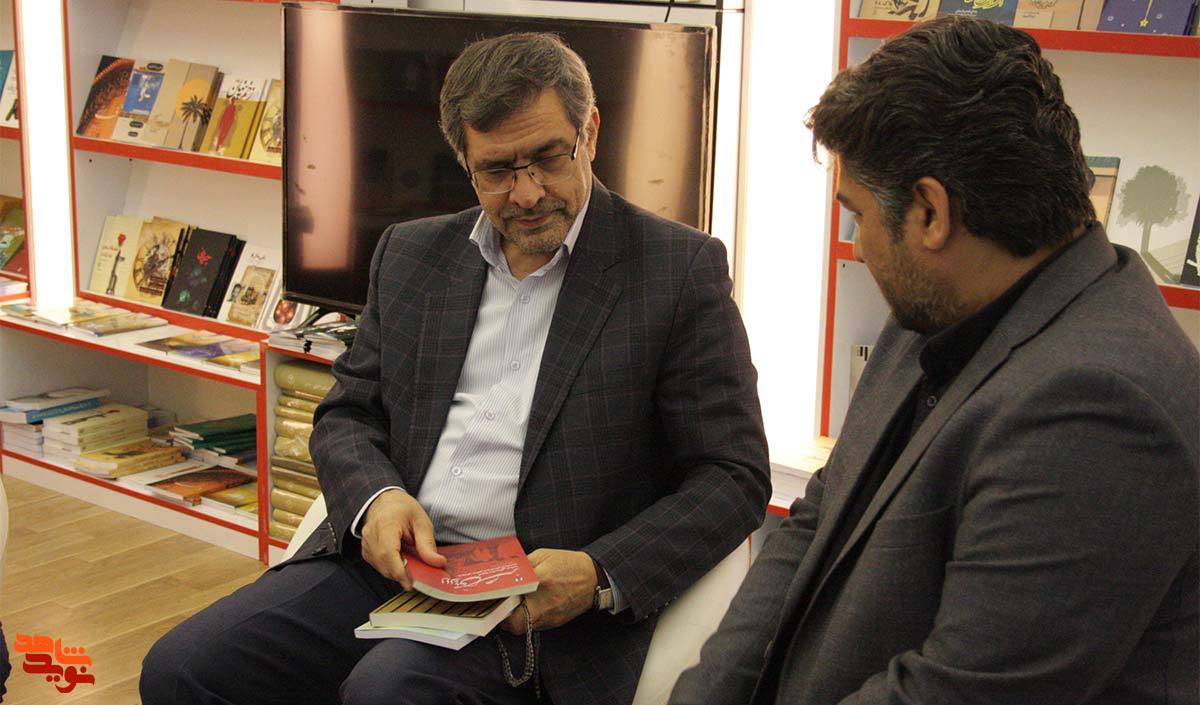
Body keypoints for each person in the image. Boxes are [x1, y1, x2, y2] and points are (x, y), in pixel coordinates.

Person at [141, 32, 770, 705]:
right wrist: (378, 500)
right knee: (182, 668)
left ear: (589, 131)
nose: (526, 193)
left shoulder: (676, 270)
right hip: (395, 566)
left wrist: (598, 571)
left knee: (387, 693)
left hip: (540, 602)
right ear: (465, 162)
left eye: (547, 158)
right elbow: (348, 413)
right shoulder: (412, 254)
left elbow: (733, 474)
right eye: (497, 170)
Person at [670, 16, 1198, 705]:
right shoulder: (938, 309)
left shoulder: (1101, 408)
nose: (858, 245)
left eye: (858, 215)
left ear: (929, 212)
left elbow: (959, 690)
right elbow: (820, 515)